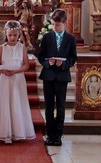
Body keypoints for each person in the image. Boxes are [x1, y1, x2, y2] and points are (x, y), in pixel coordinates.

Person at [37, 9, 77, 146]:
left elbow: (73, 58)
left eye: (58, 25)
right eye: (53, 24)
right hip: (48, 76)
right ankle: (49, 134)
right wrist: (48, 62)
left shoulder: (71, 39)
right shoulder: (47, 37)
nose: (55, 27)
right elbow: (40, 56)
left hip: (62, 76)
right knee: (48, 107)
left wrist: (64, 63)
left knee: (60, 107)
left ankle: (58, 135)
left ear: (64, 23)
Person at [0, 20, 36, 144]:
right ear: (5, 34)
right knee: (6, 103)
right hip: (5, 80)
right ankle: (5, 132)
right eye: (10, 35)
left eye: (15, 35)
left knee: (17, 102)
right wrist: (3, 71)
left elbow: (26, 65)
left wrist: (16, 71)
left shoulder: (22, 47)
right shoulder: (2, 48)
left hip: (17, 80)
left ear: (19, 35)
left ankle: (18, 131)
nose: (12, 38)